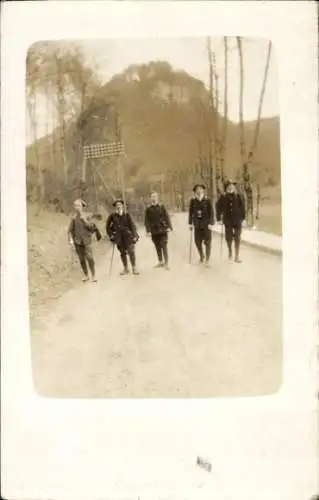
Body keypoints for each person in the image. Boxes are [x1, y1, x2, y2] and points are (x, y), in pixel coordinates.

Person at [68, 199, 102, 282]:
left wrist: (85, 221)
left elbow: (92, 227)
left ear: (82, 207)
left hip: (87, 241)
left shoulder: (88, 216)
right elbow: (70, 230)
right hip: (78, 242)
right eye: (75, 206)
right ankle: (86, 275)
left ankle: (93, 275)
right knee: (82, 260)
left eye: (78, 206)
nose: (77, 208)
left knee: (90, 258)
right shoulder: (74, 218)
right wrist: (70, 240)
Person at [106, 199, 140, 275]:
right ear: (115, 207)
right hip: (119, 238)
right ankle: (125, 268)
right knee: (122, 253)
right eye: (117, 205)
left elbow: (133, 226)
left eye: (120, 205)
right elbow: (107, 227)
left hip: (128, 237)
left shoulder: (127, 215)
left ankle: (134, 268)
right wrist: (111, 235)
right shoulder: (112, 216)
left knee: (131, 252)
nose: (118, 207)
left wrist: (134, 235)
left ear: (122, 206)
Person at [216, 179, 246, 263]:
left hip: (237, 220)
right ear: (226, 188)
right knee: (228, 238)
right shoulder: (223, 197)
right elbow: (218, 207)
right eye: (229, 186)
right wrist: (218, 218)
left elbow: (242, 207)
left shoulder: (238, 196)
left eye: (232, 186)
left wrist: (243, 218)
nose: (231, 187)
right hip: (227, 221)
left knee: (237, 238)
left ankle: (236, 256)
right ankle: (230, 250)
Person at [144, 191, 173, 270]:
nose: (153, 198)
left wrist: (169, 227)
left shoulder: (161, 206)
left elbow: (166, 217)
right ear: (150, 198)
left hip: (162, 229)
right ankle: (160, 261)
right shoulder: (148, 208)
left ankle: (166, 262)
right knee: (157, 246)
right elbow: (147, 221)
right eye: (152, 197)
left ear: (157, 198)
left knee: (164, 245)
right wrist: (148, 231)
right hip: (154, 231)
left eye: (155, 196)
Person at [188, 184, 214, 267]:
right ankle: (202, 255)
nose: (199, 191)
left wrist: (211, 223)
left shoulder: (207, 200)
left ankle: (207, 260)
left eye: (200, 189)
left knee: (208, 242)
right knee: (197, 242)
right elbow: (191, 212)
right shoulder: (193, 201)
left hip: (206, 225)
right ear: (195, 192)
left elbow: (211, 212)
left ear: (203, 191)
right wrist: (190, 223)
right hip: (197, 225)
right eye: (197, 190)